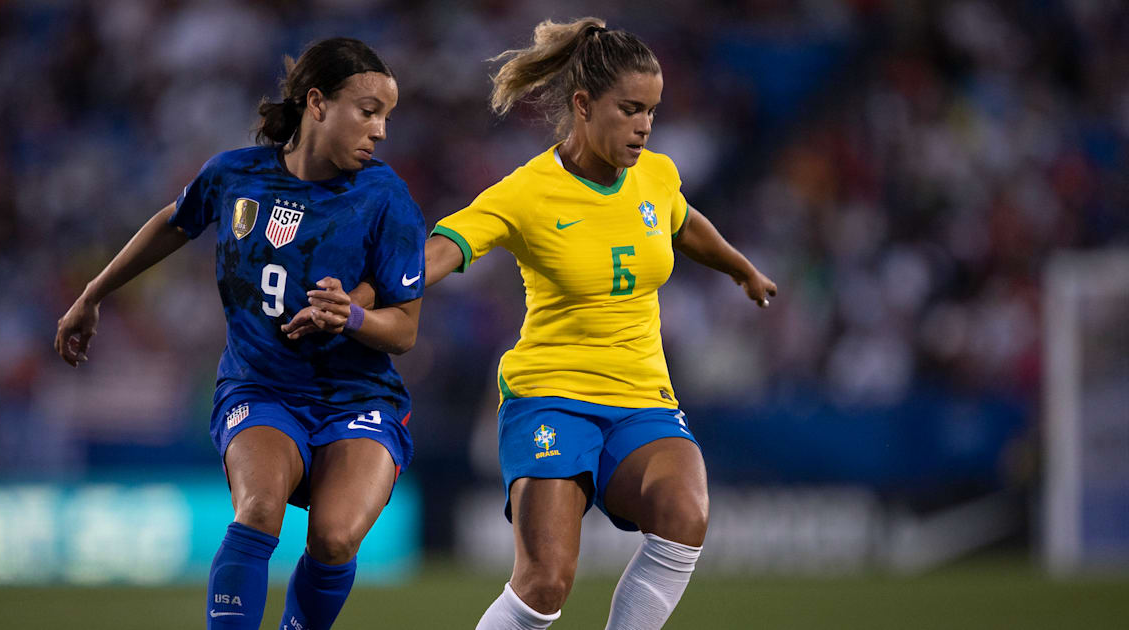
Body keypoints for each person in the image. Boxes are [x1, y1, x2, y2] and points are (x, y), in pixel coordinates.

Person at [341, 16, 776, 630]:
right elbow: (435, 252)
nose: (645, 126)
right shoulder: (528, 192)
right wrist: (355, 298)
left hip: (642, 397)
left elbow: (682, 222)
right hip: (550, 398)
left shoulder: (657, 174)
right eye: (630, 109)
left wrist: (740, 269)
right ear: (583, 103)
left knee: (685, 515)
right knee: (545, 584)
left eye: (652, 111)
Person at [54, 38, 425, 630]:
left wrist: (350, 317)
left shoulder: (386, 198)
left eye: (386, 116)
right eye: (368, 110)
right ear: (316, 103)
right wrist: (92, 293)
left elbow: (403, 330)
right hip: (262, 387)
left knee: (332, 540)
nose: (380, 131)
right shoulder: (234, 175)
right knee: (258, 512)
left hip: (359, 399)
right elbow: (173, 224)